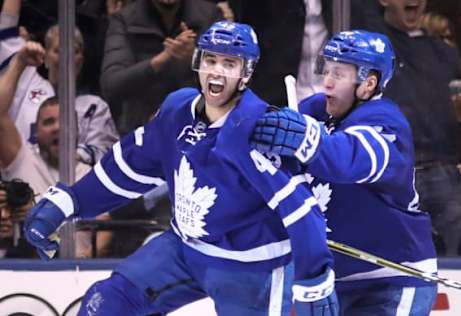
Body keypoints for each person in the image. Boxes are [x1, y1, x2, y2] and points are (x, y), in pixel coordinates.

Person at [23, 21, 338, 316]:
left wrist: (313, 278)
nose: (217, 71)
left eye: (230, 64)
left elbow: (300, 211)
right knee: (106, 303)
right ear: (198, 61)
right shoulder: (177, 110)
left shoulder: (258, 131)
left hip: (253, 269)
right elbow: (130, 164)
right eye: (211, 60)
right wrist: (72, 201)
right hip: (184, 250)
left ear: (246, 74)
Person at [251, 30, 438, 315]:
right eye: (326, 70)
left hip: (392, 279)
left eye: (338, 74)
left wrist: (303, 139)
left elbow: (347, 159)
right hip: (334, 282)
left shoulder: (386, 123)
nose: (326, 82)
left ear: (367, 84)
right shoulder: (316, 109)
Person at [369, 0, 461, 256]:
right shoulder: (374, 50)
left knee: (459, 256)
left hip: (444, 174)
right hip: (394, 174)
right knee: (396, 258)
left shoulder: (445, 53)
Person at [0, 42, 112, 259]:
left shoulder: (91, 174)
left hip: (76, 272)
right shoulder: (23, 158)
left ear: (78, 129)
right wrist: (20, 62)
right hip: (23, 269)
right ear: (37, 131)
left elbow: (104, 226)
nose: (58, 127)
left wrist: (85, 259)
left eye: (65, 120)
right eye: (49, 122)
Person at [0, 0, 119, 166]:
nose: (66, 56)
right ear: (46, 56)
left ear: (82, 60)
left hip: (70, 185)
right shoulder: (26, 79)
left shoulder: (95, 106)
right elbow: (6, 27)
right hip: (22, 180)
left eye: (74, 50)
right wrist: (20, 60)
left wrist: (63, 158)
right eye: (58, 50)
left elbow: (105, 153)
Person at [100, 0, 223, 135]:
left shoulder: (210, 15)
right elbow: (111, 84)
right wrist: (160, 60)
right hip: (141, 131)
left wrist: (195, 58)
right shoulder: (124, 20)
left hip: (200, 131)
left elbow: (233, 81)